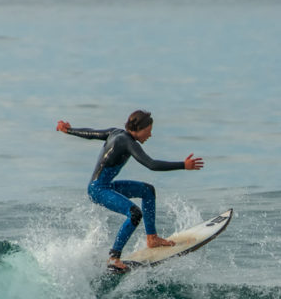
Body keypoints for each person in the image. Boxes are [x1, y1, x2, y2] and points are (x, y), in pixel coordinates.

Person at [56, 110, 204, 271]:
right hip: (98, 190)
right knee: (134, 213)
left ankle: (152, 238)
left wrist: (68, 130)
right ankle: (114, 257)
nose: (150, 135)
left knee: (147, 190)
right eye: (148, 131)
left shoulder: (115, 132)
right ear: (138, 129)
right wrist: (183, 165)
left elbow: (90, 133)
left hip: (105, 185)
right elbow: (151, 164)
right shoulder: (127, 142)